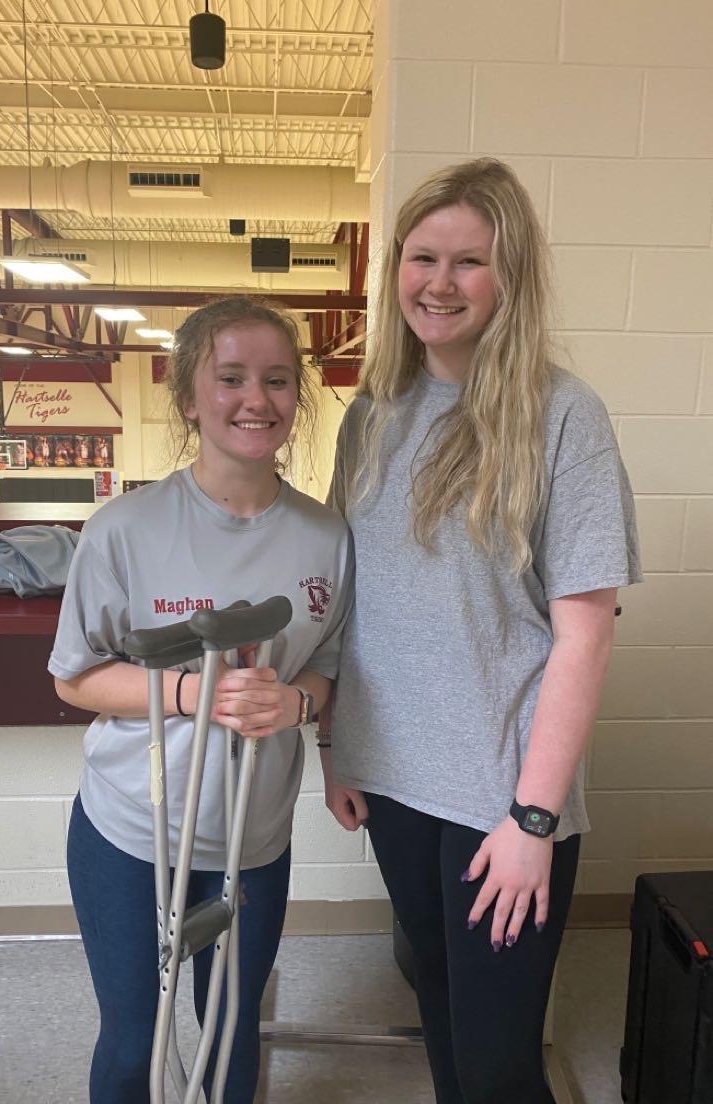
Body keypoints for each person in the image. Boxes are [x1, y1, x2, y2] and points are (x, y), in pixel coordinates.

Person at [322, 158, 641, 1104]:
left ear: (511, 278)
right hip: (389, 777)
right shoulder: (371, 414)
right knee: (441, 1015)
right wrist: (333, 746)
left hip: (501, 796)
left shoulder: (563, 416)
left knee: (500, 1066)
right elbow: (349, 601)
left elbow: (585, 635)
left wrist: (533, 820)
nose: (439, 282)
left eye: (469, 261)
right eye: (422, 257)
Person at [49, 297, 353, 1104]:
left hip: (253, 837)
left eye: (277, 380)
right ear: (189, 396)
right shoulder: (124, 529)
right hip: (131, 831)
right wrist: (196, 693)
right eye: (231, 378)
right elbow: (74, 677)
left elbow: (325, 667)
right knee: (133, 1043)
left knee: (230, 1032)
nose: (257, 399)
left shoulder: (327, 538)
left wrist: (295, 706)